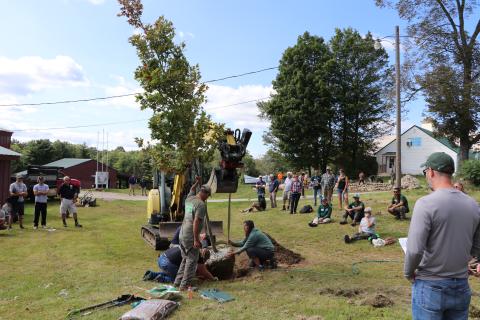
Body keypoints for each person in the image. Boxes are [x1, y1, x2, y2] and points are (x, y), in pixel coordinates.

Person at [405, 152, 480, 319]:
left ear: (430, 171)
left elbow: (415, 250)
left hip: (430, 285)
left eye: (425, 172)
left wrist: (409, 273)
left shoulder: (425, 204)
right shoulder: (473, 205)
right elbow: (477, 247)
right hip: (461, 285)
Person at [174, 177, 211, 290]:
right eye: (208, 196)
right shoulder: (200, 205)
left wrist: (196, 183)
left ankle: (177, 282)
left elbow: (191, 189)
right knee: (192, 260)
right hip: (190, 236)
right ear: (205, 194)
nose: (207, 198)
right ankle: (184, 286)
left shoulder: (189, 198)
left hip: (182, 233)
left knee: (185, 258)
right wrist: (196, 239)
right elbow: (196, 221)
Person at [145, 247, 216, 283]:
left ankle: (152, 274)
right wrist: (213, 279)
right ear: (204, 257)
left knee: (172, 272)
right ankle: (161, 278)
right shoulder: (198, 255)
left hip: (161, 258)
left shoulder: (192, 247)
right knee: (177, 279)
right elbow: (203, 271)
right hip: (168, 263)